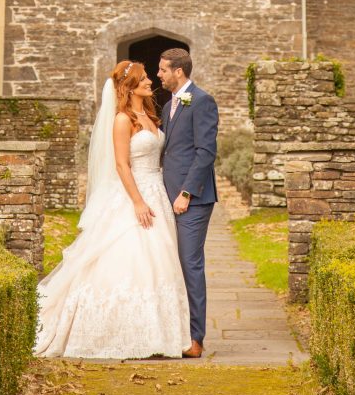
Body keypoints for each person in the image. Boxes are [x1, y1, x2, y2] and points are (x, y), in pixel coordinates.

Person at [34, 60, 191, 359]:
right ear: (129, 86)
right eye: (143, 79)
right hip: (136, 194)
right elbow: (121, 164)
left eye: (148, 77)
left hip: (156, 190)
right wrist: (137, 201)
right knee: (132, 256)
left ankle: (158, 332)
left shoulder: (150, 114)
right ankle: (117, 331)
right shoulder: (122, 119)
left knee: (160, 260)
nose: (149, 82)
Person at [158, 47, 218, 359]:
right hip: (166, 195)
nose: (159, 75)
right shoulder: (170, 104)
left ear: (178, 71)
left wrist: (186, 193)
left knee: (190, 264)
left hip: (192, 199)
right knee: (169, 264)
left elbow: (205, 152)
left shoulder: (203, 101)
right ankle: (174, 330)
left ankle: (196, 339)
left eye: (163, 69)